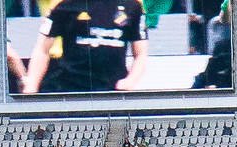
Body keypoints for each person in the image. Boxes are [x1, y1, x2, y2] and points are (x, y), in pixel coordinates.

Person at [18, 0, 148, 95]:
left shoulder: (133, 5)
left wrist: (131, 80)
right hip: (68, 88)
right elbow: (42, 49)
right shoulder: (64, 4)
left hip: (112, 90)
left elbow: (141, 54)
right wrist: (32, 85)